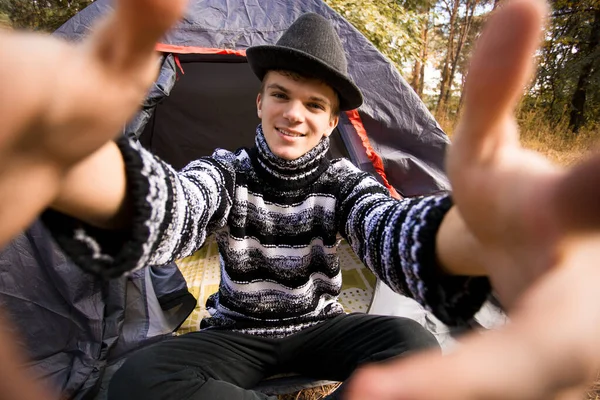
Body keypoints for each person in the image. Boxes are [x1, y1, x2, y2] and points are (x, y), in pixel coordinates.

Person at [0, 1, 598, 400]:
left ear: (332, 119)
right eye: (282, 96)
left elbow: (390, 230)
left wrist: (476, 234)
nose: (294, 114)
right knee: (141, 377)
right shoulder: (226, 172)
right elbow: (169, 209)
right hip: (236, 336)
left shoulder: (341, 182)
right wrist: (74, 159)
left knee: (412, 343)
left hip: (319, 328)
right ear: (259, 102)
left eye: (315, 105)